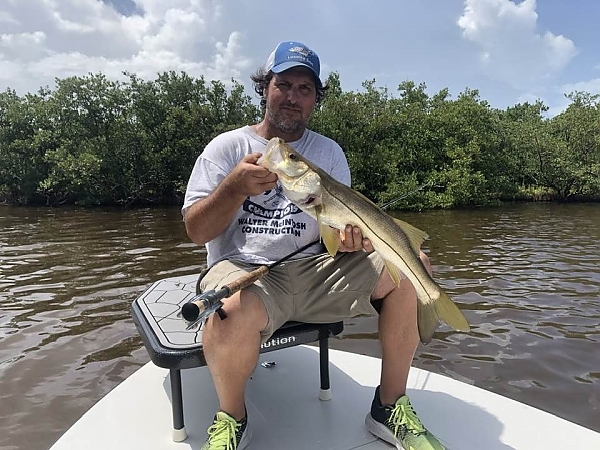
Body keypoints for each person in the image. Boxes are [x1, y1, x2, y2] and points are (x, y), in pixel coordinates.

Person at [182, 40, 445, 450]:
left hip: (317, 272)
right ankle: (232, 418)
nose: (292, 97)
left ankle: (389, 407)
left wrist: (350, 242)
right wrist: (233, 188)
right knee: (229, 309)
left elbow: (337, 239)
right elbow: (196, 231)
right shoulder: (226, 148)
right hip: (245, 273)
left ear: (315, 99)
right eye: (283, 84)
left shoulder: (329, 152)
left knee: (413, 268)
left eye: (305, 89)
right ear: (265, 88)